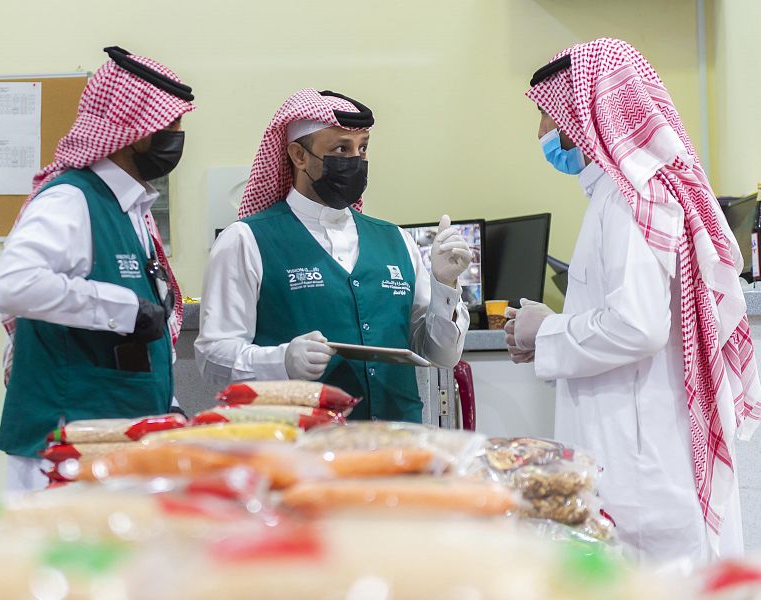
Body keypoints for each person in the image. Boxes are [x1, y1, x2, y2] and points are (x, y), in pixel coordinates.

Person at [505, 38, 761, 566]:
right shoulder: (625, 195)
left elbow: (637, 327)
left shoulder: (627, 201)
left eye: (546, 115)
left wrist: (545, 330)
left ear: (579, 114)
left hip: (640, 471)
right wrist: (552, 329)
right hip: (641, 454)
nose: (540, 133)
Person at [196, 88, 471, 422]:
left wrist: (445, 285)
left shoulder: (396, 240)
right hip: (297, 442)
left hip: (397, 439)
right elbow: (213, 358)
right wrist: (281, 360)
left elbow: (442, 355)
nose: (355, 160)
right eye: (341, 148)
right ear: (299, 155)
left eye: (362, 148)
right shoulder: (245, 240)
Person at [0, 46, 195, 491]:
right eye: (171, 126)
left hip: (119, 446)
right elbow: (13, 285)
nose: (178, 138)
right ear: (136, 131)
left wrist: (170, 406)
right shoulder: (72, 199)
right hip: (65, 455)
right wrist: (122, 308)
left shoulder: (131, 209)